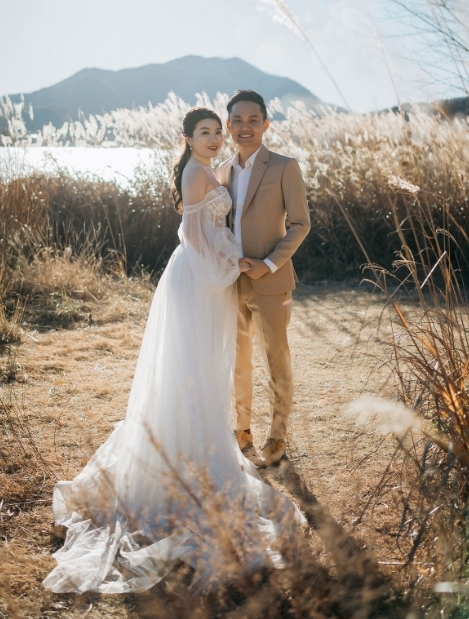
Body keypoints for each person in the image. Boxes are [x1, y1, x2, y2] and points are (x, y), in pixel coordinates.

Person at [44, 108, 301, 594]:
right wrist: (226, 266)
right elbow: (190, 234)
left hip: (208, 277)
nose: (214, 138)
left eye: (216, 132)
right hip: (199, 278)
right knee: (193, 366)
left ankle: (203, 442)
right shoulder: (197, 171)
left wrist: (230, 262)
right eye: (204, 132)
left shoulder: (215, 169)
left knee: (201, 367)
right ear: (188, 138)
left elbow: (215, 228)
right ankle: (185, 454)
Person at [215, 90, 309, 468]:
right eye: (237, 120)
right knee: (237, 359)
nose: (245, 127)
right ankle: (242, 428)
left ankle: (278, 434)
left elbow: (301, 224)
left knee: (276, 359)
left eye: (253, 120)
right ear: (228, 126)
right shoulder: (221, 171)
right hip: (230, 284)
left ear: (266, 124)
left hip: (271, 282)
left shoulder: (285, 167)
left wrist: (267, 263)